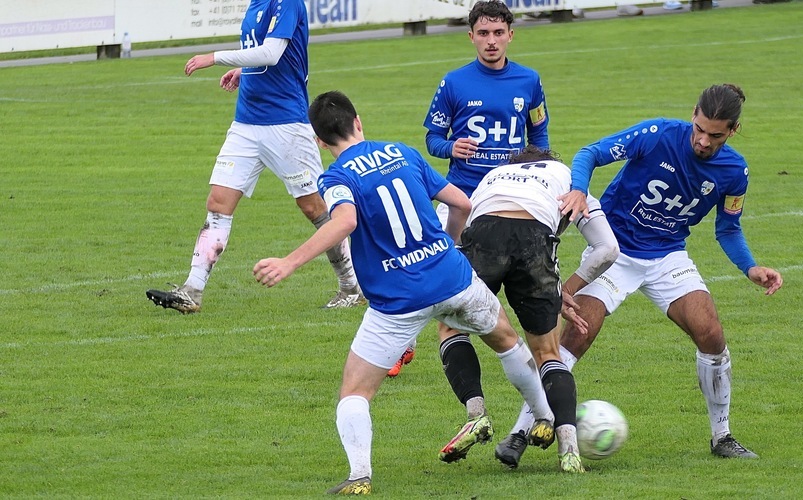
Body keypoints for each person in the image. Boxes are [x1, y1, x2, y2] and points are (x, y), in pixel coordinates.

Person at [253, 91, 557, 494]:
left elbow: (344, 221)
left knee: (355, 392)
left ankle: (360, 476)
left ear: (320, 141)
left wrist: (289, 262)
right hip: (453, 278)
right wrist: (447, 247)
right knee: (506, 340)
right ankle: (543, 417)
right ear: (358, 122)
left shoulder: (337, 177)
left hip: (398, 302)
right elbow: (461, 203)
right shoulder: (404, 152)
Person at [509, 83, 783, 461]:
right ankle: (521, 430)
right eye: (699, 129)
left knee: (711, 333)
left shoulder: (735, 172)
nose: (703, 141)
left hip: (667, 256)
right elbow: (591, 153)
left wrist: (750, 267)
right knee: (576, 336)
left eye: (715, 135)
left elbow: (728, 228)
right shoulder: (656, 135)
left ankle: (722, 436)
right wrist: (578, 189)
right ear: (693, 114)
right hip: (615, 252)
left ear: (733, 131)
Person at [145, 0, 362, 314]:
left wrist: (214, 58)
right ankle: (192, 290)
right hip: (246, 123)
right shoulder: (256, 4)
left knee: (314, 207)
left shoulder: (288, 3)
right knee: (218, 201)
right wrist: (244, 70)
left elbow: (272, 52)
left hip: (286, 124)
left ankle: (350, 286)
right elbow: (262, 55)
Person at [381, 0, 550, 377]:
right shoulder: (454, 82)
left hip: (506, 197)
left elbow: (539, 134)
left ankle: (534, 355)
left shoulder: (529, 80)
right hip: (460, 195)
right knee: (428, 269)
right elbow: (432, 139)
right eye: (484, 34)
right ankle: (401, 346)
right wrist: (450, 147)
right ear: (471, 36)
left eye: (498, 33)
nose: (491, 41)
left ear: (511, 35)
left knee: (511, 278)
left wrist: (540, 168)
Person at [441, 145, 619, 473]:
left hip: (484, 235)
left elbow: (457, 218)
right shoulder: (567, 178)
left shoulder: (492, 177)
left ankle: (476, 415)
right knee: (548, 354)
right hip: (535, 241)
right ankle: (569, 452)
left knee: (452, 328)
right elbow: (608, 249)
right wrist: (565, 290)